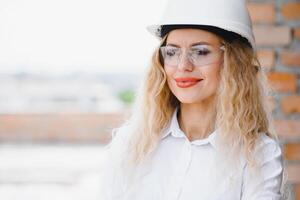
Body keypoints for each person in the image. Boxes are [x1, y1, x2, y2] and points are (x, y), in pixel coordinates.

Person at [100, 0, 285, 199]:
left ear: (234, 63)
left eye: (201, 51)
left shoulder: (259, 155)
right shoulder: (130, 143)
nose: (182, 66)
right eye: (172, 52)